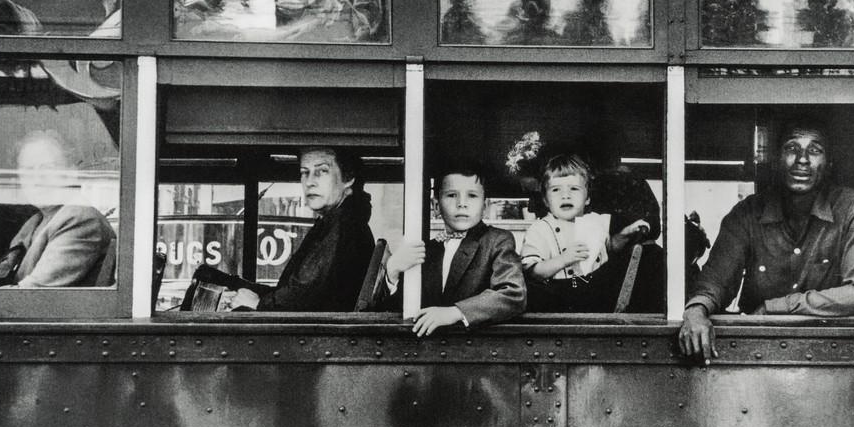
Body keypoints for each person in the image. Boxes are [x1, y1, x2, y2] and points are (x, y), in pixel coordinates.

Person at [680, 119, 854, 358]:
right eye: (792, 148)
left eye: (815, 150)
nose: (803, 159)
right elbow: (715, 280)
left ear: (828, 164)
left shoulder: (852, 208)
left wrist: (775, 307)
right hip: (759, 351)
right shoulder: (747, 213)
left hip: (832, 352)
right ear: (777, 160)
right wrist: (696, 311)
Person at [378, 164, 526, 335]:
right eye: (451, 195)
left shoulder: (497, 240)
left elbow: (513, 294)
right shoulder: (427, 250)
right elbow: (395, 310)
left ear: (484, 206)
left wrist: (455, 312)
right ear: (435, 205)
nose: (461, 204)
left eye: (472, 196)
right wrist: (393, 271)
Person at [227, 146, 374, 311]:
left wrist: (258, 304)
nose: (309, 182)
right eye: (305, 172)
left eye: (322, 171)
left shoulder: (342, 225)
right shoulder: (341, 221)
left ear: (348, 178)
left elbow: (302, 294)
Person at [520, 154, 648, 311]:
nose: (565, 195)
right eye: (556, 190)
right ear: (546, 200)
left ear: (587, 198)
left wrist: (625, 234)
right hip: (559, 300)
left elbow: (608, 248)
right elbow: (533, 272)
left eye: (574, 188)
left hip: (597, 294)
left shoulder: (596, 221)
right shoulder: (540, 229)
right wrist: (563, 259)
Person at [0, 130, 116, 288]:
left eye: (47, 168)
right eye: (28, 170)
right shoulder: (35, 222)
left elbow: (32, 294)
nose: (36, 179)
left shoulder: (80, 219)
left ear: (71, 173)